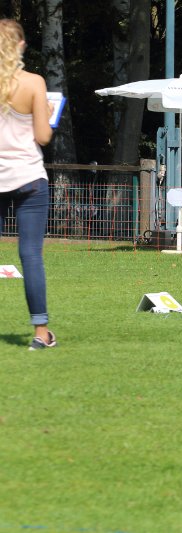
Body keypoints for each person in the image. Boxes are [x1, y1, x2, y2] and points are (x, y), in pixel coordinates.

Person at [0, 19, 56, 350]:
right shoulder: (34, 82)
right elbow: (43, 136)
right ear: (20, 45)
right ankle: (41, 332)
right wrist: (45, 113)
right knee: (31, 255)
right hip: (29, 176)